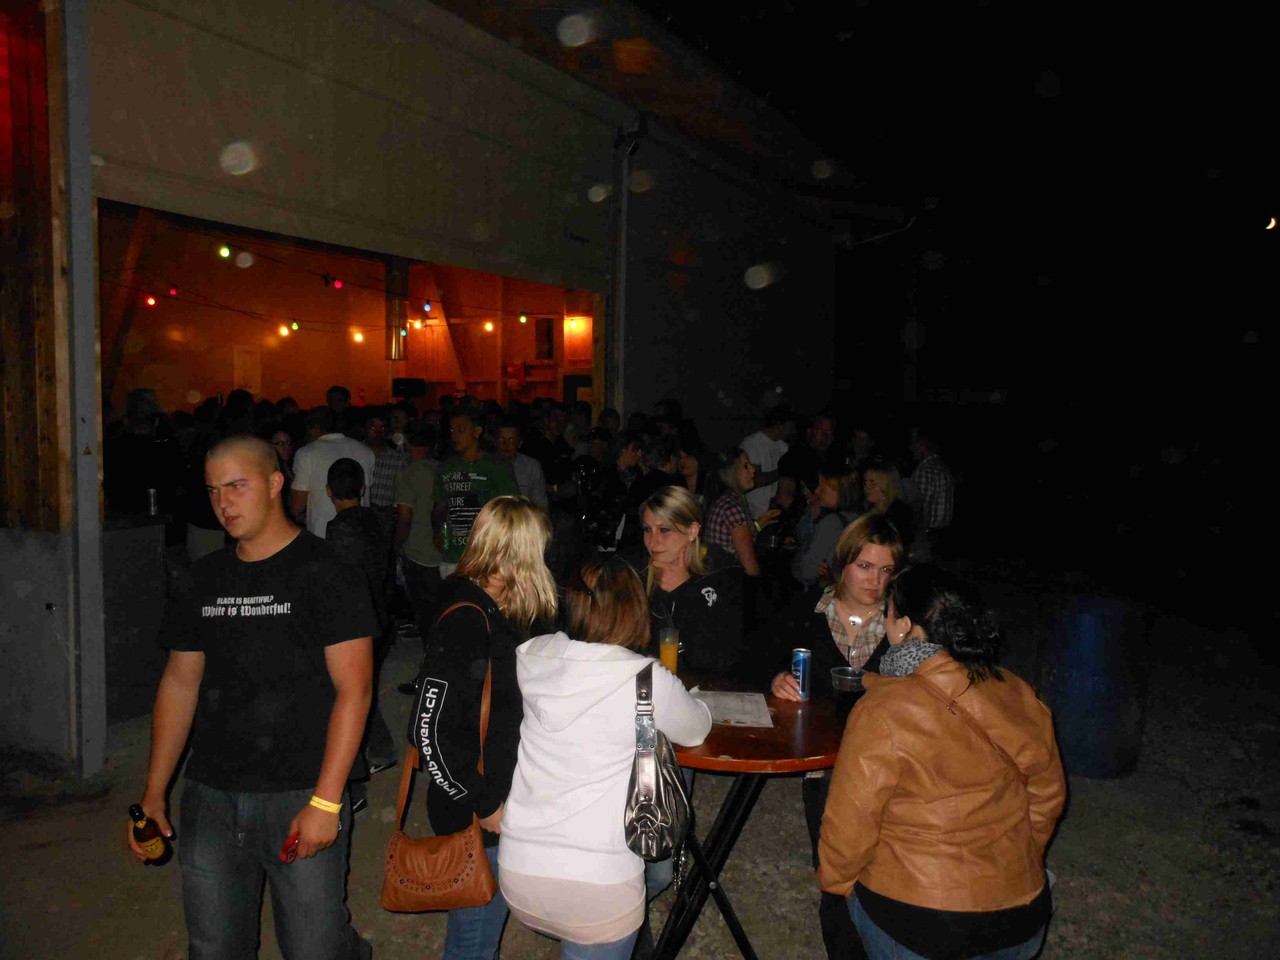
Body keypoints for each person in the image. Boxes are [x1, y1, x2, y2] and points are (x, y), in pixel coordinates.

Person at [127, 435, 375, 959]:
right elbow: (179, 683)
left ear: (275, 483)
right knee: (214, 947)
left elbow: (354, 689)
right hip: (211, 794)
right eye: (213, 490)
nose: (223, 503)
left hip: (299, 789)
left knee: (315, 949)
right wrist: (154, 790)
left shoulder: (328, 571)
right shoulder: (202, 579)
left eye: (237, 486)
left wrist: (326, 800)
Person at [819, 565, 1066, 960]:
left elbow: (849, 828)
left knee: (838, 905)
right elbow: (1047, 797)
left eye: (887, 614)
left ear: (903, 627)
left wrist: (836, 887)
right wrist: (1011, 862)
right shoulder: (1018, 692)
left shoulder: (882, 710)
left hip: (922, 927)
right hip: (1021, 921)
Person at [499, 557, 712, 959]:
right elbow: (696, 729)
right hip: (598, 887)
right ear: (634, 611)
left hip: (519, 871)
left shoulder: (532, 655)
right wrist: (693, 698)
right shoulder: (646, 677)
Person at [411, 496, 559, 960]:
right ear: (518, 555)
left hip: (491, 797)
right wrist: (484, 803)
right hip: (476, 812)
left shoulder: (490, 608)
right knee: (473, 940)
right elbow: (427, 731)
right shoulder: (467, 620)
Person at [761, 513, 906, 960]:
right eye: (865, 566)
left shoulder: (905, 623)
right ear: (842, 563)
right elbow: (755, 656)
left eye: (886, 570)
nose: (876, 581)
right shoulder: (807, 610)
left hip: (888, 763)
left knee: (886, 868)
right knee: (835, 869)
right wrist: (775, 678)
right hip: (822, 763)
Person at [325, 457, 398, 810]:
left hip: (358, 622)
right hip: (382, 614)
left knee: (349, 692)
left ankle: (362, 772)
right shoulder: (377, 520)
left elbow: (342, 580)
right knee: (361, 687)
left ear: (328, 491)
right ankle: (381, 749)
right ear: (363, 488)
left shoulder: (338, 528)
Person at [640, 485, 745, 677]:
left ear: (692, 531)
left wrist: (684, 591)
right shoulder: (637, 574)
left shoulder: (722, 573)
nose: (653, 542)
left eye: (664, 530)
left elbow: (718, 659)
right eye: (648, 529)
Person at [432, 408, 519, 578]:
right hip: (454, 557)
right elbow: (439, 508)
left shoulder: (497, 467)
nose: (455, 435)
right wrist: (438, 532)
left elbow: (512, 510)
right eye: (452, 430)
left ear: (477, 432)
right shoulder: (445, 468)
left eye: (460, 430)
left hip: (487, 558)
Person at [291, 406, 375, 538]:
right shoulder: (365, 451)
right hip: (360, 536)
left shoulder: (306, 453)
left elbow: (297, 506)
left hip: (322, 538)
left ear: (314, 429)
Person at [703, 447, 779, 578]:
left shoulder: (724, 499)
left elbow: (731, 540)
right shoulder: (732, 508)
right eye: (746, 466)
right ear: (732, 472)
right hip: (727, 582)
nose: (753, 469)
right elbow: (750, 569)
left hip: (716, 579)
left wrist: (758, 525)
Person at [792, 464, 861, 588]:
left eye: (823, 488)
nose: (817, 491)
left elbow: (807, 571)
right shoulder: (861, 518)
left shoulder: (831, 523)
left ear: (839, 491)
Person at [740, 409, 789, 519]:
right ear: (778, 426)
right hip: (754, 514)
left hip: (773, 512)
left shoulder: (783, 446)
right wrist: (782, 471)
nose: (792, 430)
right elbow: (754, 480)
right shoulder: (752, 444)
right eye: (790, 426)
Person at [862, 461, 919, 556]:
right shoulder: (867, 510)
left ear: (886, 485)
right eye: (865, 482)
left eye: (872, 483)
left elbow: (902, 546)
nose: (866, 487)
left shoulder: (900, 512)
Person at [495, 416, 549, 511]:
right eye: (502, 439)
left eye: (511, 440)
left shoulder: (532, 467)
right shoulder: (485, 465)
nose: (506, 445)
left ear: (519, 443)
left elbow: (541, 503)